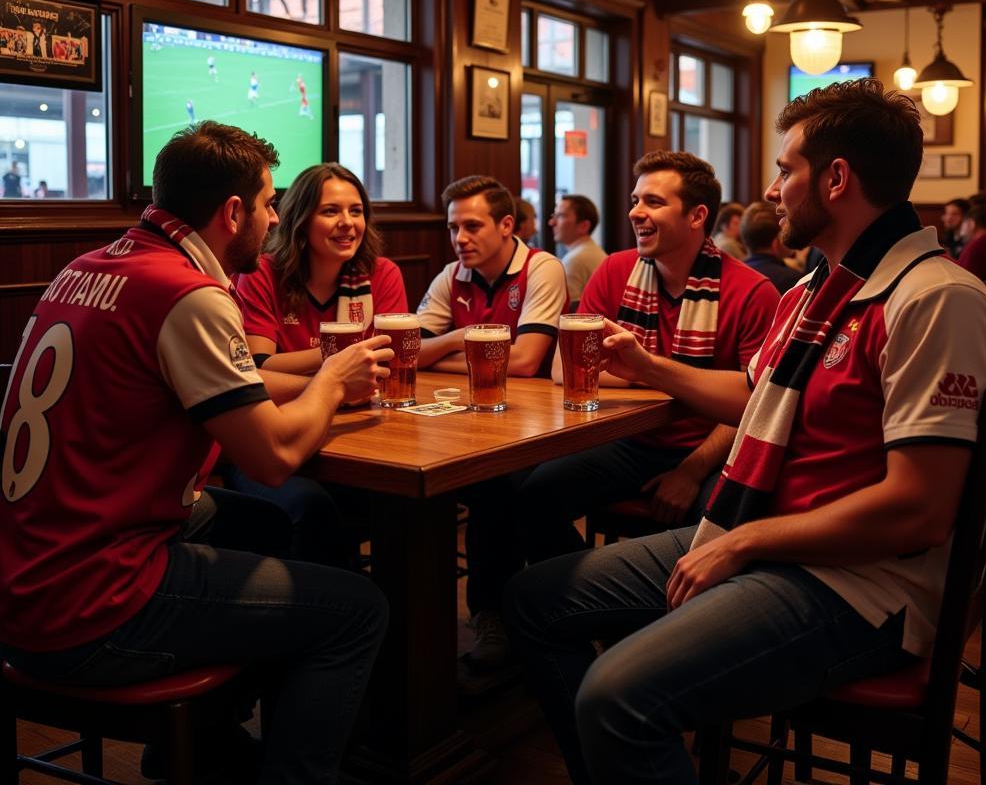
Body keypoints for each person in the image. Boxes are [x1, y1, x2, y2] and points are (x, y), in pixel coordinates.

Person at [503, 79, 986, 785]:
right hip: (767, 530)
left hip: (855, 584)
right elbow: (756, 394)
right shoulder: (819, 288)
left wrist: (742, 541)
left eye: (785, 170)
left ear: (836, 179)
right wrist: (649, 364)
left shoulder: (937, 300)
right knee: (532, 601)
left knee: (617, 696)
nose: (773, 191)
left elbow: (918, 510)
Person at [0, 121, 392, 785]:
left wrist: (328, 385)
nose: (274, 219)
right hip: (90, 605)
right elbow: (272, 458)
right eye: (270, 204)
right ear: (232, 211)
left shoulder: (90, 267)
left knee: (268, 523)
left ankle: (206, 746)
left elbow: (225, 383)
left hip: (24, 573)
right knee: (358, 611)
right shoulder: (190, 295)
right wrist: (331, 381)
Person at [515, 152, 778, 566]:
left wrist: (690, 472)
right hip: (628, 440)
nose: (636, 212)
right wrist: (674, 378)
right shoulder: (614, 270)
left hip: (709, 448)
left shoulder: (753, 291)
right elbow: (565, 371)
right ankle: (582, 604)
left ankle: (669, 623)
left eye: (653, 202)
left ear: (697, 216)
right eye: (635, 200)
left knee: (717, 526)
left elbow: (756, 407)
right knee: (533, 497)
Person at [418, 175, 567, 673]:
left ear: (507, 226)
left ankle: (528, 612)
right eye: (453, 227)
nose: (461, 238)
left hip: (541, 427)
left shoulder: (542, 269)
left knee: (503, 490)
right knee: (463, 489)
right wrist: (465, 335)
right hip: (470, 422)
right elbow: (411, 355)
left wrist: (448, 352)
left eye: (473, 225)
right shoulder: (449, 276)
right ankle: (488, 614)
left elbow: (526, 362)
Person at [233, 162, 408, 565]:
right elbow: (259, 364)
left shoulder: (381, 274)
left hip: (359, 434)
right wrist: (341, 356)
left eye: (356, 211)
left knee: (403, 501)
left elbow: (386, 359)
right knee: (313, 506)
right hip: (274, 431)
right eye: (330, 211)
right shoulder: (263, 272)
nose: (347, 223)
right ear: (300, 218)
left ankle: (388, 620)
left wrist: (342, 364)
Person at [550, 194, 607, 305]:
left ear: (584, 226)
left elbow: (568, 312)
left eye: (561, 216)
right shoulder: (589, 251)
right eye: (554, 215)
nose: (552, 222)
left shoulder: (576, 259)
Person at [740, 201, 800, 293]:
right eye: (787, 231)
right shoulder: (793, 280)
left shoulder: (733, 275)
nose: (792, 235)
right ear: (776, 243)